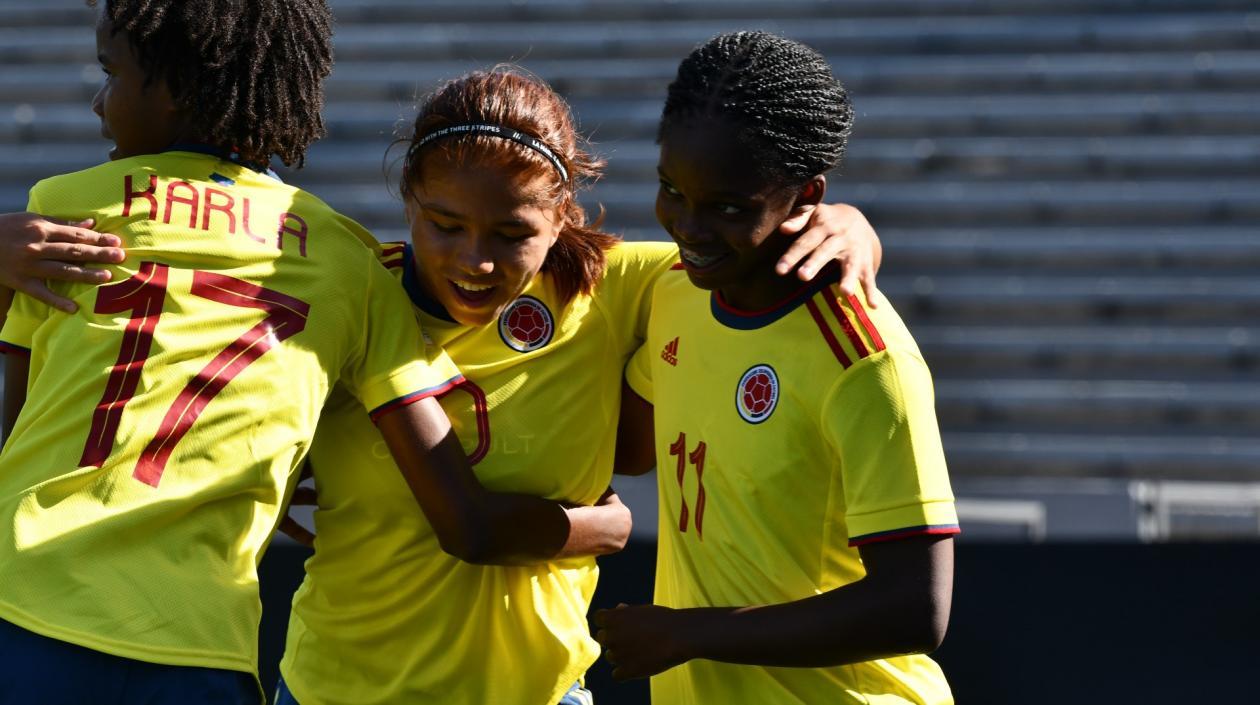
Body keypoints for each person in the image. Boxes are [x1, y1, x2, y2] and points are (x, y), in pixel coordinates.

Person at [0, 67, 883, 705]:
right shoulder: (353, 295)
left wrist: (847, 220)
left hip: (539, 692)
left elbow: (747, 246)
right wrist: (602, 526)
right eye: (445, 224)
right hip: (337, 688)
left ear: (563, 216)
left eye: (511, 232)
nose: (474, 258)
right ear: (407, 203)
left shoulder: (623, 288)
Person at [0, 4, 628, 704]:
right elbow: (465, 519)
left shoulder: (61, 214)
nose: (98, 101)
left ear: (174, 86)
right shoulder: (344, 258)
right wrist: (610, 523)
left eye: (110, 74)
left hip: (22, 604)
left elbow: (20, 430)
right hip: (197, 643)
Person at [595, 32, 959, 705]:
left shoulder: (867, 359)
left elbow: (917, 607)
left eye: (728, 207)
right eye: (671, 190)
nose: (689, 227)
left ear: (805, 195)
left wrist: (689, 634)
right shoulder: (677, 289)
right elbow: (633, 451)